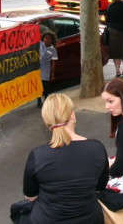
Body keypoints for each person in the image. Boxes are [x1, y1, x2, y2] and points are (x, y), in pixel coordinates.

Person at [20, 94, 109, 223]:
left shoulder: (37, 155)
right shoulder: (97, 148)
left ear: (47, 121)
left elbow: (30, 196)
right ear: (72, 115)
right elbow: (99, 188)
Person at [37, 31, 58, 109]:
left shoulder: (53, 50)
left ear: (51, 40)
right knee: (39, 86)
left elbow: (53, 62)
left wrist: (52, 74)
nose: (47, 40)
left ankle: (46, 99)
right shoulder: (40, 45)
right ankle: (39, 100)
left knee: (45, 86)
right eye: (46, 38)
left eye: (49, 39)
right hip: (38, 69)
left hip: (46, 70)